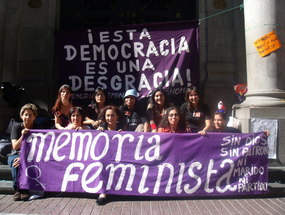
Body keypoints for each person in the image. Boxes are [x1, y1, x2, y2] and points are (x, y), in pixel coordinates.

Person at [8, 103, 43, 201]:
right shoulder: (16, 127)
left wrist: (23, 157)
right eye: (25, 115)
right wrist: (22, 136)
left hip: (31, 155)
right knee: (16, 164)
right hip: (16, 153)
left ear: (34, 117)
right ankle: (18, 190)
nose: (27, 117)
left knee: (25, 163)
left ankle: (25, 190)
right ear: (21, 116)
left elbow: (38, 146)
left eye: (30, 115)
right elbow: (15, 146)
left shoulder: (38, 127)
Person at [96, 105, 125, 205]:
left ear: (117, 117)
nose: (110, 118)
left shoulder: (123, 128)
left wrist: (124, 134)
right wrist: (97, 133)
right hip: (105, 158)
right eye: (107, 115)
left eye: (112, 115)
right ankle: (102, 193)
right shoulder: (101, 128)